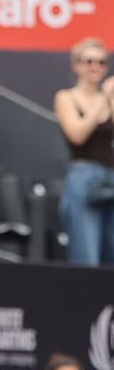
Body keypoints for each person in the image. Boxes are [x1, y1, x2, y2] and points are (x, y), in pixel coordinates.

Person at [54, 38, 114, 267]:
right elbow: (77, 135)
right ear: (76, 65)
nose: (95, 67)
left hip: (111, 176)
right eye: (89, 61)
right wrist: (103, 100)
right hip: (84, 177)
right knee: (85, 258)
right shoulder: (66, 97)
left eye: (101, 62)